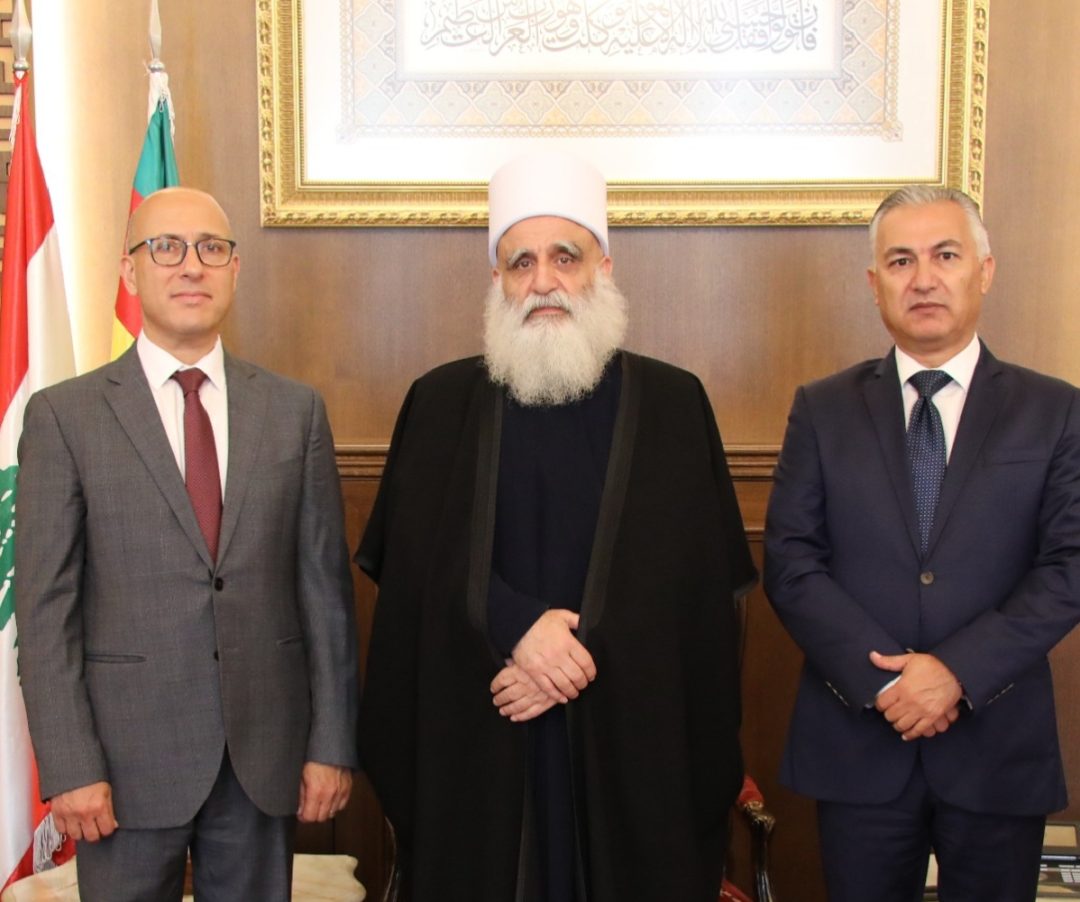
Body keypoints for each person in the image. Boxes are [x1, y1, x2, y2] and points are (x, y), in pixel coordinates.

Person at [356, 150, 756, 901]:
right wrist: (514, 625)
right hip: (482, 730)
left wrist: (571, 655)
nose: (543, 281)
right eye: (521, 263)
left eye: (564, 257)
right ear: (498, 280)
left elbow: (696, 590)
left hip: (627, 745)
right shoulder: (439, 403)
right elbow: (413, 567)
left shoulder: (673, 404)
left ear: (603, 267)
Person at [15, 187, 359, 902]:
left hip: (263, 760)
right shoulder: (66, 417)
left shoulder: (294, 412)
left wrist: (330, 745)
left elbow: (325, 598)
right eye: (166, 248)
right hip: (122, 768)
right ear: (130, 271)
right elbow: (46, 614)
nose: (191, 265)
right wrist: (71, 765)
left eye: (211, 248)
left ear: (234, 269)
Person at [764, 185, 1080, 902]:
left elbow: (1069, 565)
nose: (924, 278)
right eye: (901, 261)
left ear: (984, 271)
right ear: (875, 282)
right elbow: (791, 562)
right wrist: (888, 684)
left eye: (945, 255)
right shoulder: (822, 408)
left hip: (998, 746)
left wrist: (957, 672)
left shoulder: (1055, 409)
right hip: (859, 742)